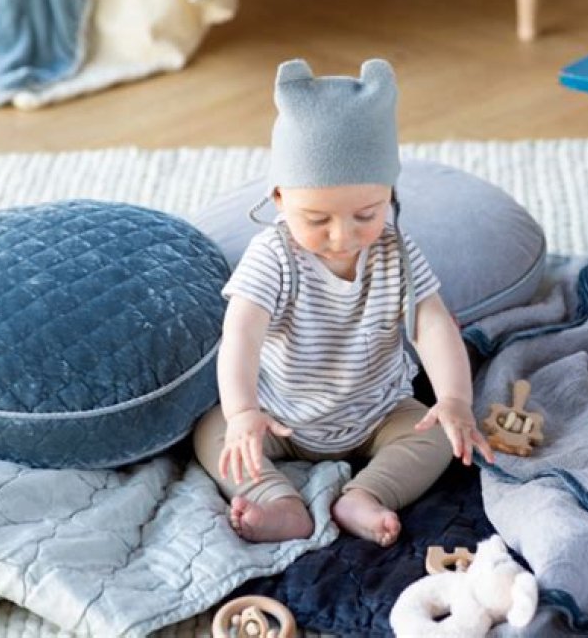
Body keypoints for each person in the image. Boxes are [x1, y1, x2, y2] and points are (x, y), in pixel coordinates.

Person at [193, 58, 494, 548]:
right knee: (214, 430)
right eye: (317, 219)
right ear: (279, 199)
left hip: (377, 413)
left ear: (389, 197)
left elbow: (433, 325)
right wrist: (244, 411)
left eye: (366, 214)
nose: (342, 236)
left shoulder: (396, 252)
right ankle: (277, 501)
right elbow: (241, 333)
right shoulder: (274, 256)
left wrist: (455, 399)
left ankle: (366, 495)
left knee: (437, 433)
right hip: (279, 417)